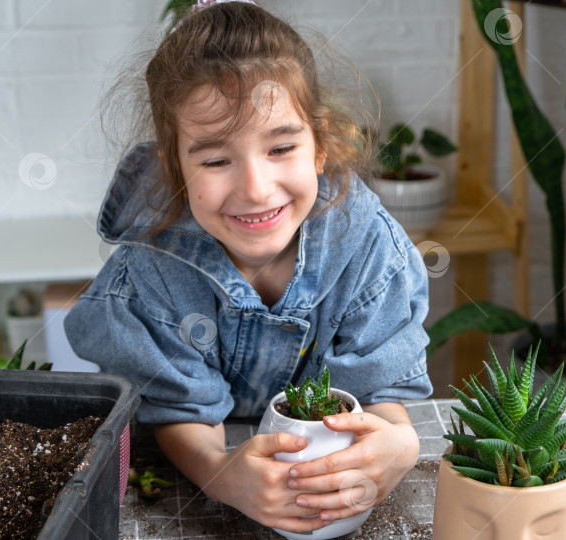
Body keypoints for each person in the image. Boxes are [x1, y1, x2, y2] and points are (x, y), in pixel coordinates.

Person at [65, 0, 432, 534]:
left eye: (281, 147)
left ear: (321, 148)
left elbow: (381, 394)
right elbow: (178, 410)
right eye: (215, 160)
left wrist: (398, 442)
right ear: (175, 167)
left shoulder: (368, 247)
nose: (257, 189)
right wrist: (218, 473)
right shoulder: (151, 274)